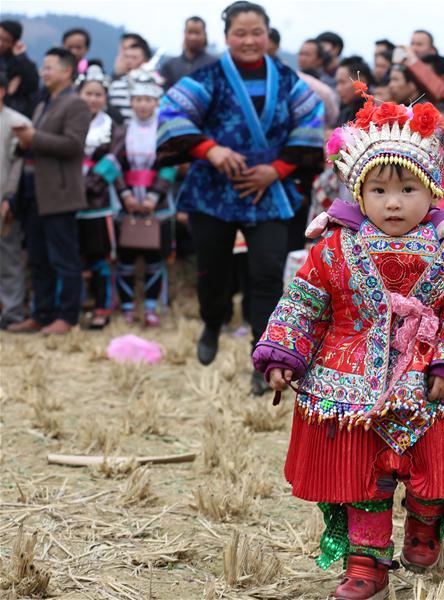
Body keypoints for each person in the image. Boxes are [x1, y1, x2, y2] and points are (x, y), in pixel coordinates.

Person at [252, 93, 444, 600]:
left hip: (430, 375)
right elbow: (304, 303)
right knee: (363, 476)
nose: (395, 202)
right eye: (381, 190)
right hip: (348, 380)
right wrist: (282, 353)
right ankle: (366, 563)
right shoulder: (335, 246)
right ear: (360, 195)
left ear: (432, 191)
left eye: (409, 189)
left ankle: (424, 522)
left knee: (433, 466)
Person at [156, 1, 324, 393]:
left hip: (267, 191)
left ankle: (263, 358)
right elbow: (171, 113)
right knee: (214, 272)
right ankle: (213, 320)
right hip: (214, 190)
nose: (249, 40)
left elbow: (312, 123)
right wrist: (209, 149)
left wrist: (277, 170)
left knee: (266, 274)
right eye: (240, 33)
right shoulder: (209, 77)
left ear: (267, 35)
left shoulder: (287, 81)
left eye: (256, 33)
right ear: (227, 37)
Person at [8, 48, 91, 335]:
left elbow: (72, 145)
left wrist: (34, 138)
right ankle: (41, 314)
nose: (44, 73)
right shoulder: (43, 105)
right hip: (33, 191)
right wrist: (23, 142)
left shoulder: (76, 105)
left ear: (67, 71)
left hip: (59, 191)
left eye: (49, 67)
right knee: (37, 258)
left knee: (63, 258)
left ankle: (67, 317)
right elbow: (37, 143)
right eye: (43, 68)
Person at [114, 69, 176, 327]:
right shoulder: (121, 132)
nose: (142, 105)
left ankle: (151, 308)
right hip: (127, 205)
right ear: (131, 103)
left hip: (157, 206)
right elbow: (111, 166)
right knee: (125, 260)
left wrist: (153, 196)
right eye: (137, 99)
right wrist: (125, 195)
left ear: (156, 102)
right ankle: (127, 308)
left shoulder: (164, 131)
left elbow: (170, 166)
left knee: (154, 259)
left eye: (147, 100)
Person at [76, 65, 122, 330]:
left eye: (98, 94)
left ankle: (103, 307)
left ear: (105, 98)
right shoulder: (69, 122)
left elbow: (113, 160)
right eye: (88, 93)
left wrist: (86, 184)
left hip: (98, 203)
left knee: (100, 258)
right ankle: (75, 305)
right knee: (73, 257)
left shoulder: (113, 127)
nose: (92, 99)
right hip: (69, 202)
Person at [0, 73, 30, 330]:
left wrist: (10, 197)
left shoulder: (18, 124)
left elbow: (19, 166)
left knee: (9, 259)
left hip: (6, 202)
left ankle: (11, 313)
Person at [160, 17, 218, 90]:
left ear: (205, 35)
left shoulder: (215, 65)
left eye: (197, 33)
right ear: (184, 33)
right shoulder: (169, 65)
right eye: (190, 32)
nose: (193, 37)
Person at [0, 20, 40, 117]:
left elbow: (33, 85)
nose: (0, 43)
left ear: (14, 43)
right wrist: (8, 89)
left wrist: (21, 57)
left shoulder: (21, 63)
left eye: (6, 40)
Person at [108, 35, 151, 122]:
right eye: (127, 57)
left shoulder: (153, 85)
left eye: (134, 57)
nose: (129, 61)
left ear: (145, 60)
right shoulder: (115, 85)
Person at [334, 57, 373, 126]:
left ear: (361, 81)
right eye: (337, 83)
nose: (338, 89)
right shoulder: (345, 111)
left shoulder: (373, 114)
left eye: (342, 82)